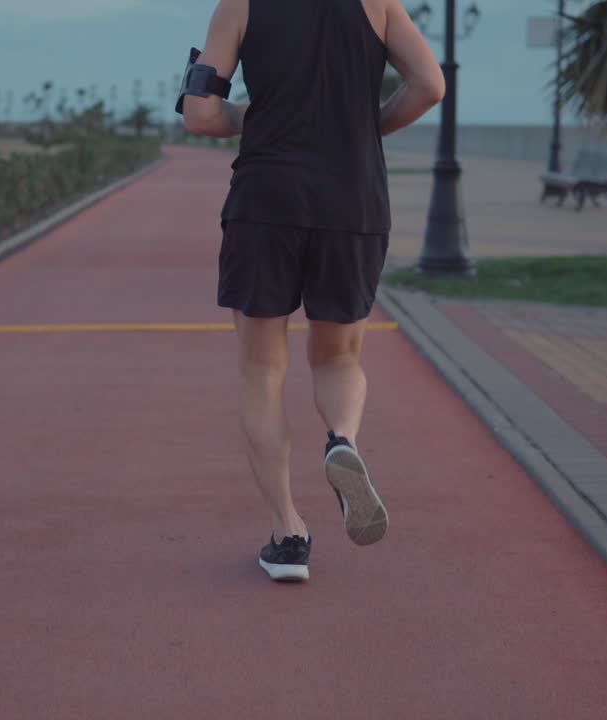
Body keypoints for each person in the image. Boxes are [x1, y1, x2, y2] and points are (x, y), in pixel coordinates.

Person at [182, 0, 445, 581]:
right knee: (339, 355)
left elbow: (200, 115)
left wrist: (259, 117)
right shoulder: (378, 4)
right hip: (352, 198)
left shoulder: (240, 6)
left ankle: (288, 534)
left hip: (265, 202)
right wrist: (359, 125)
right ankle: (341, 440)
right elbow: (429, 86)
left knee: (262, 370)